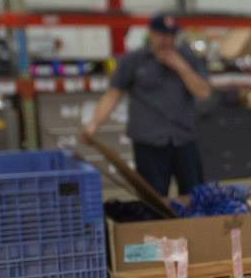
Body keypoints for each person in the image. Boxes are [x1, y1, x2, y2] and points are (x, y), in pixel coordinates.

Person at [83, 12, 214, 194]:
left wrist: (181, 67)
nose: (167, 41)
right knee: (153, 197)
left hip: (184, 138)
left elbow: (203, 93)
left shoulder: (188, 58)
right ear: (151, 34)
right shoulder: (133, 60)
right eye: (162, 35)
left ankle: (192, 223)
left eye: (171, 36)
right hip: (148, 142)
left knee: (195, 193)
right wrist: (93, 124)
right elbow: (113, 94)